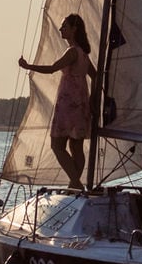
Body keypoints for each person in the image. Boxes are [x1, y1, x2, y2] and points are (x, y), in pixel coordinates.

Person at [19, 13, 95, 191]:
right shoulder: (83, 53)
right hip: (81, 101)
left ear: (74, 29)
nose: (61, 29)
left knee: (57, 144)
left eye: (64, 26)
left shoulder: (72, 52)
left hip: (69, 103)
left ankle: (76, 184)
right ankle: (74, 185)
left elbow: (53, 68)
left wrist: (29, 66)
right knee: (75, 145)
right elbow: (95, 75)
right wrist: (92, 98)